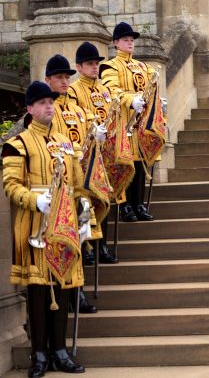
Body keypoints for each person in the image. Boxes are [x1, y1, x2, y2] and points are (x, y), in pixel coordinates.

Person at [2, 81, 86, 377]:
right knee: (38, 291)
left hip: (64, 223)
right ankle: (39, 353)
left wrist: (82, 207)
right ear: (29, 109)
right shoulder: (18, 143)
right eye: (41, 103)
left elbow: (74, 183)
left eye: (50, 102)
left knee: (62, 287)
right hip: (35, 223)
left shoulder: (66, 142)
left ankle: (60, 351)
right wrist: (35, 200)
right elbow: (11, 185)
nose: (48, 106)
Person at [44, 54, 100, 314]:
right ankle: (66, 296)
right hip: (57, 188)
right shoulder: (47, 111)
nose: (65, 81)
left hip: (80, 185)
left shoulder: (79, 110)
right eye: (59, 77)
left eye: (67, 77)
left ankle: (79, 294)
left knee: (80, 241)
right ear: (48, 80)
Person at [67, 42, 119, 265]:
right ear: (79, 67)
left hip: (105, 153)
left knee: (104, 199)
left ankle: (102, 246)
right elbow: (71, 121)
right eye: (89, 64)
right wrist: (90, 132)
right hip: (85, 156)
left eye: (97, 63)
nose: (94, 67)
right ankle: (87, 247)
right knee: (87, 203)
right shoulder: (72, 91)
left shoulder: (105, 90)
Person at [100, 22, 156, 222]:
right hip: (123, 122)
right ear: (116, 43)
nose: (130, 43)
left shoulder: (144, 67)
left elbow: (153, 89)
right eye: (126, 40)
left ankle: (138, 204)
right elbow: (111, 89)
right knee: (124, 163)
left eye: (132, 40)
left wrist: (158, 104)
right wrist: (130, 100)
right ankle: (124, 206)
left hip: (141, 123)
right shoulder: (110, 66)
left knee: (140, 164)